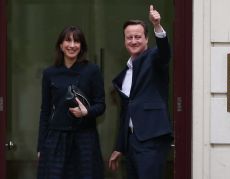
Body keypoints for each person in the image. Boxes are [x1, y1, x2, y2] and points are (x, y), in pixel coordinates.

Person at [108, 5, 172, 179]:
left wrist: (157, 25)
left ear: (146, 39)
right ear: (124, 41)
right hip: (132, 142)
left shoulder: (154, 59)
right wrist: (120, 147)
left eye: (138, 37)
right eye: (129, 37)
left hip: (152, 138)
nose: (133, 41)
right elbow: (125, 113)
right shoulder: (124, 74)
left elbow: (165, 53)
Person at [37, 26, 105, 179]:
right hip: (56, 139)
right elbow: (45, 111)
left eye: (77, 41)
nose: (72, 45)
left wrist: (86, 112)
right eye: (68, 40)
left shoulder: (92, 70)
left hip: (85, 139)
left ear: (82, 46)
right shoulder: (49, 73)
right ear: (61, 45)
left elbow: (101, 105)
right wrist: (41, 146)